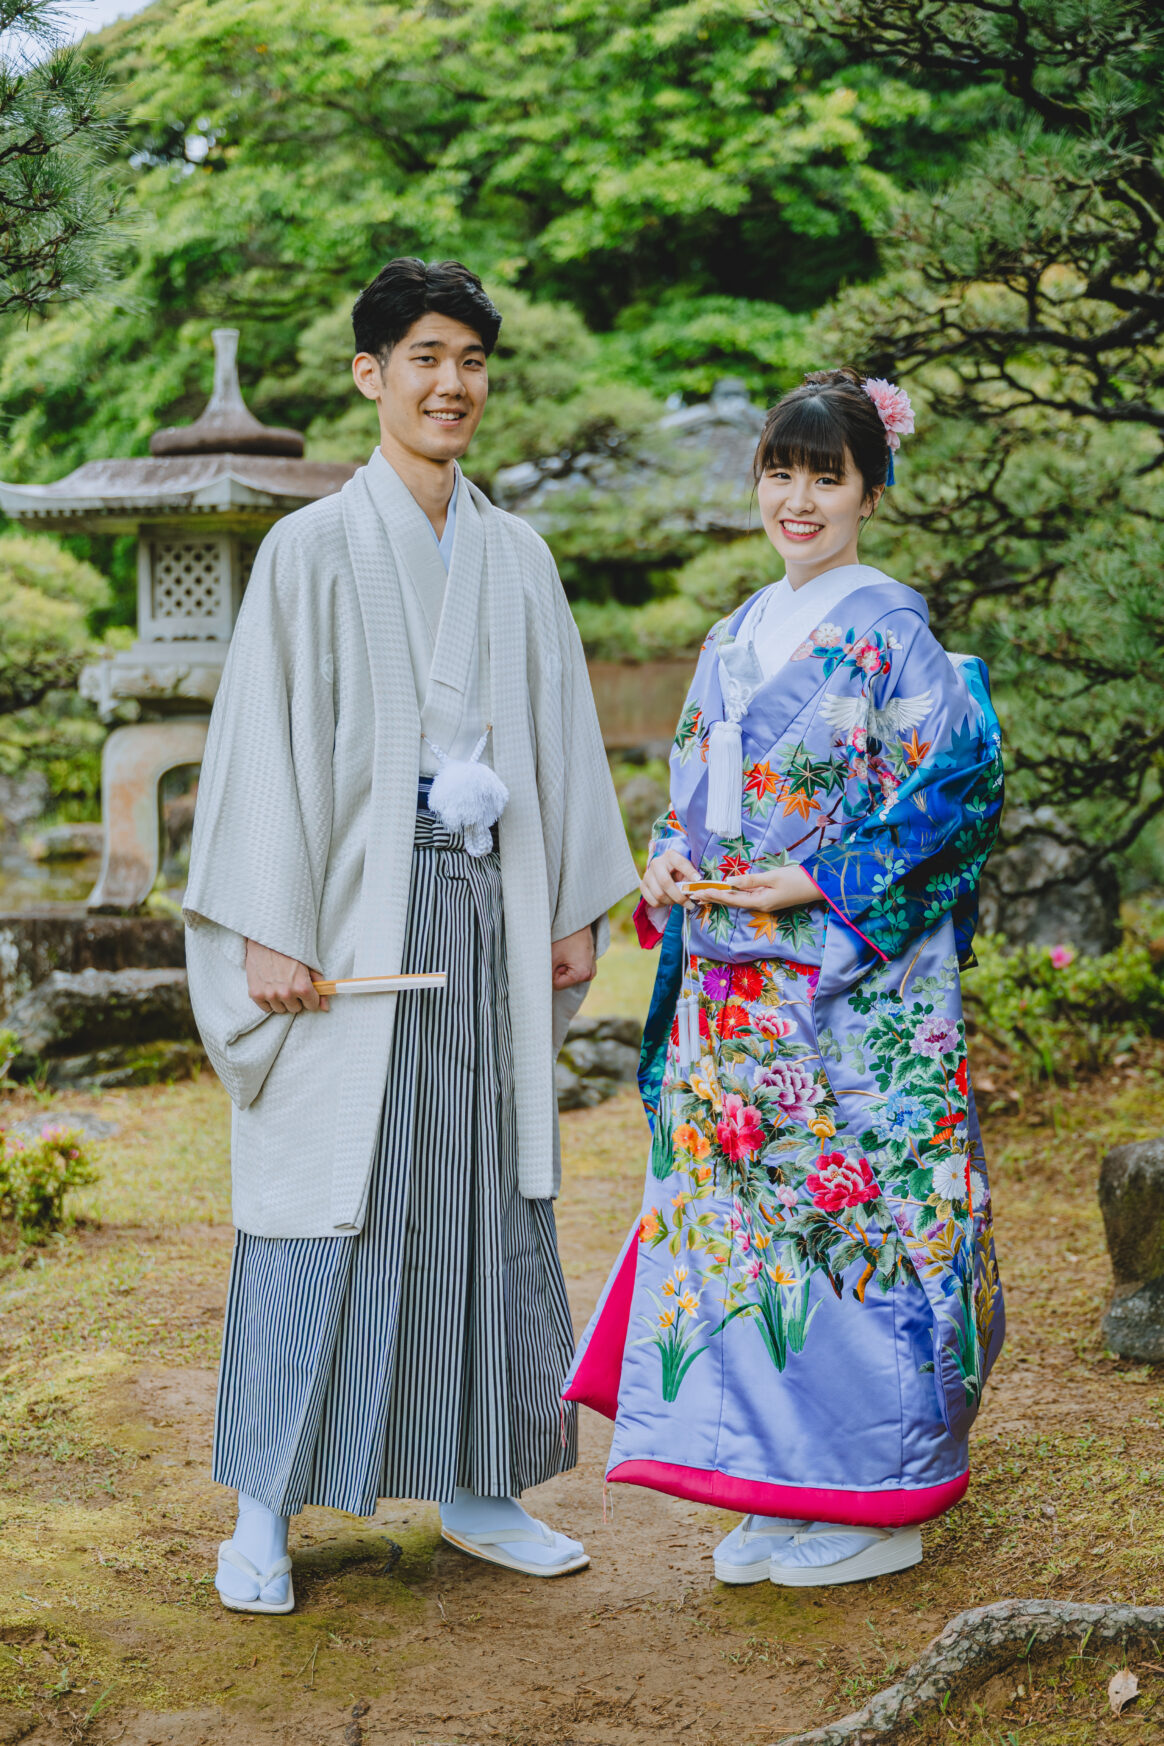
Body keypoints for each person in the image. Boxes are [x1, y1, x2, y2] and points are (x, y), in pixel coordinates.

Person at [184, 257, 638, 1614]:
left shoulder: (517, 554)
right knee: (328, 1200)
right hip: (344, 922)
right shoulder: (310, 548)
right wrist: (267, 926)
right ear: (372, 374)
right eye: (426, 357)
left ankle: (483, 1485)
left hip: (487, 911)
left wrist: (569, 908)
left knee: (480, 1197)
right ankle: (262, 1511)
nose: (453, 384)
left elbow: (560, 738)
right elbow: (260, 746)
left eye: (472, 361)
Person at [565, 367, 1005, 1588]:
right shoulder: (734, 633)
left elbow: (958, 795)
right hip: (732, 992)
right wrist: (668, 858)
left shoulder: (894, 633)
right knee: (748, 1241)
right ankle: (782, 1477)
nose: (798, 500)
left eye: (827, 476)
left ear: (872, 490)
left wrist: (814, 881)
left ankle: (884, 1497)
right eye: (780, 472)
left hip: (849, 990)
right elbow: (698, 793)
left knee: (858, 1224)